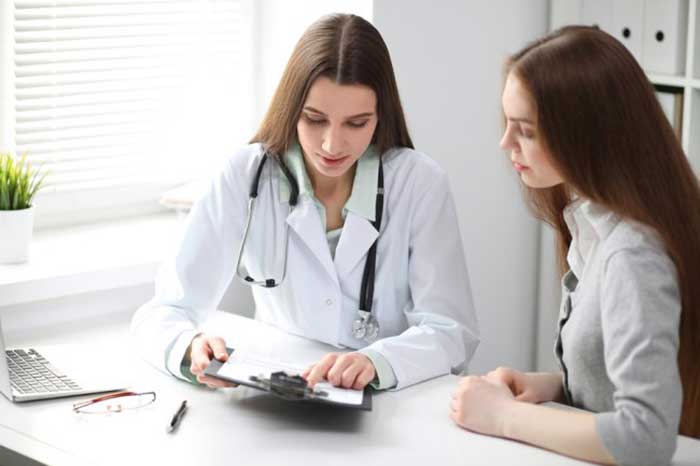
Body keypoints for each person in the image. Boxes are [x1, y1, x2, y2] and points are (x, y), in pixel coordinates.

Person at [131, 13, 478, 393]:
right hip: (275, 398)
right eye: (314, 119)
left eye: (356, 123)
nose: (332, 145)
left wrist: (376, 361)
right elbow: (164, 311)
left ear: (381, 116)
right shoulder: (246, 175)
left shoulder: (418, 184)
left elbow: (450, 332)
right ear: (292, 107)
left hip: (391, 407)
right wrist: (189, 347)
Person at [450, 26, 700, 466]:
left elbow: (647, 437)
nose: (505, 143)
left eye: (524, 130)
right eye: (508, 124)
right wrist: (555, 386)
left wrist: (504, 417)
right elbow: (625, 380)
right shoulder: (592, 226)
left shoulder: (633, 255)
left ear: (585, 136)